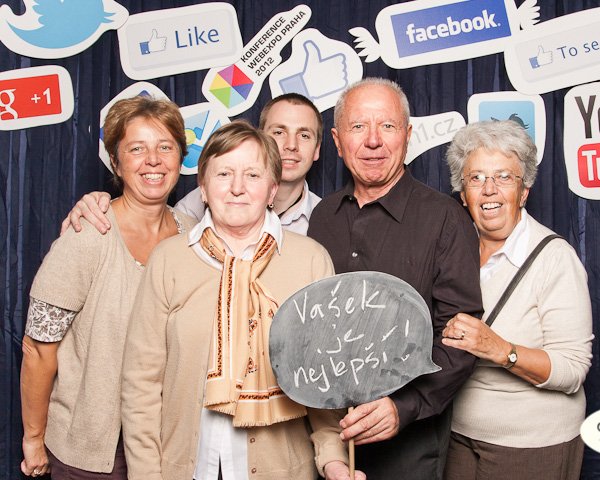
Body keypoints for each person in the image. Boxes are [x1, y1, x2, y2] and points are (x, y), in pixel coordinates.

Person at [120, 120, 362, 480]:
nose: (237, 188)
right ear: (203, 187)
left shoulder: (310, 260)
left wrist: (334, 461)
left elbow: (322, 385)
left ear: (272, 189)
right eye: (223, 174)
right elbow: (141, 383)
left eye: (252, 175)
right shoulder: (169, 259)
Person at [307, 77, 483, 479]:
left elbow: (460, 335)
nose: (373, 141)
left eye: (387, 126)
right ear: (337, 141)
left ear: (407, 135)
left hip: (410, 445)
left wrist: (403, 407)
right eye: (358, 126)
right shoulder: (323, 217)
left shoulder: (445, 218)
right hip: (328, 438)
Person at [19, 96, 195, 478]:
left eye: (165, 147)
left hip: (170, 447)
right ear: (116, 162)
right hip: (94, 453)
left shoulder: (195, 237)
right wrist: (33, 438)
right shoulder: (87, 234)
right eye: (137, 149)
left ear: (181, 158)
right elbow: (38, 347)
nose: (153, 160)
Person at [441, 120, 593, 480]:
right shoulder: (450, 251)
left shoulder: (555, 258)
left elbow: (572, 368)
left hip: (533, 443)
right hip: (456, 435)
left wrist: (501, 350)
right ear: (463, 194)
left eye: (504, 177)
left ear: (523, 192)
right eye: (476, 178)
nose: (489, 189)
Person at [62, 93, 323, 235]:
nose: (290, 145)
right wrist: (95, 204)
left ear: (317, 148)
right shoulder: (194, 210)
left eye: (304, 135)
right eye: (278, 132)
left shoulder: (326, 219)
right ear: (258, 139)